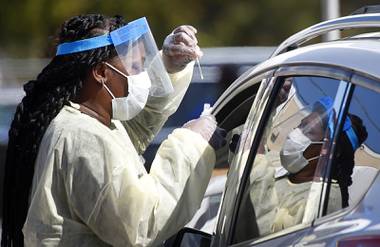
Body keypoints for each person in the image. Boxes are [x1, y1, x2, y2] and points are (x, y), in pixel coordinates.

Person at [1, 14, 226, 246]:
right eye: (136, 67)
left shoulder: (87, 122)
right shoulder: (83, 138)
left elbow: (136, 127)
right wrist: (192, 143)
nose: (143, 78)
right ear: (100, 72)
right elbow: (140, 224)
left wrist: (168, 66)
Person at [234, 96, 367, 242]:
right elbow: (254, 149)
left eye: (308, 131)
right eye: (300, 125)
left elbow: (268, 239)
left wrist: (256, 162)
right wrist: (272, 103)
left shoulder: (324, 200)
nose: (295, 133)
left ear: (328, 150)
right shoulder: (288, 168)